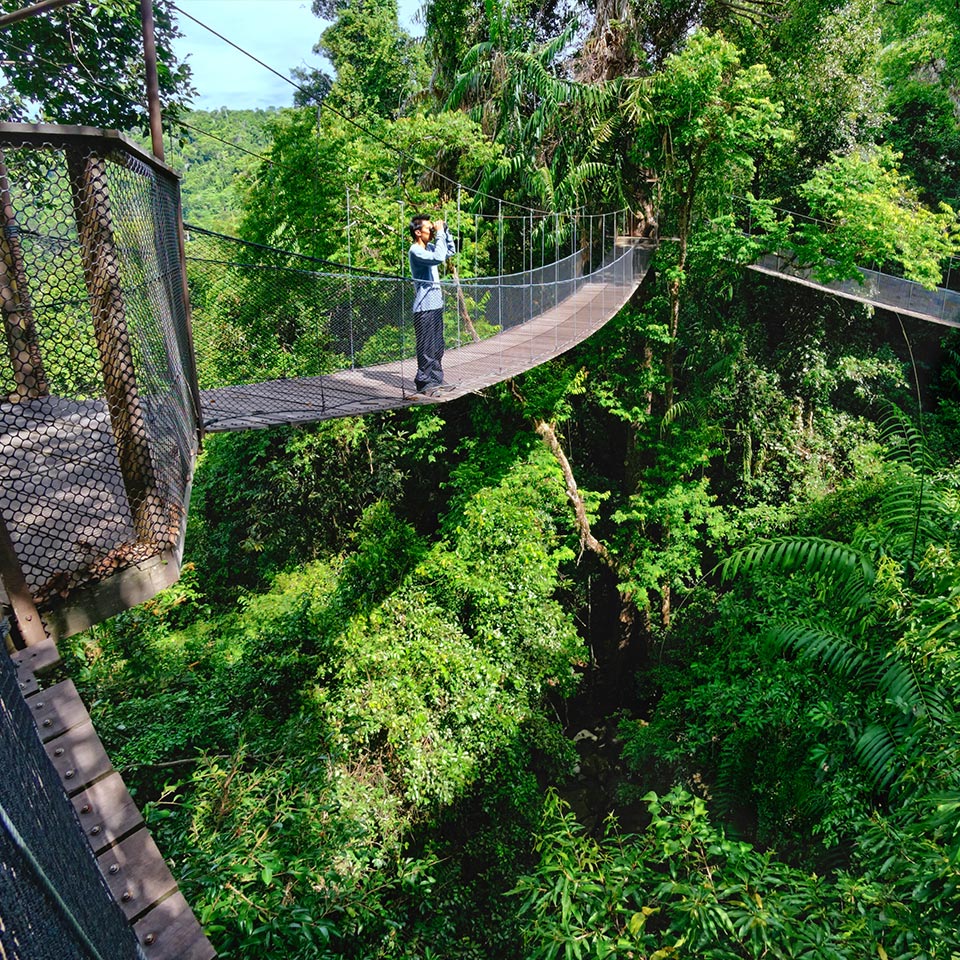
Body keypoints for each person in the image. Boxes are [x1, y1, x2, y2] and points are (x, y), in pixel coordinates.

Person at [408, 214, 456, 396]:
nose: (433, 231)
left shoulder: (429, 248)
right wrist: (441, 234)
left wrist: (446, 231)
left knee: (437, 346)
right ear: (418, 232)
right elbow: (438, 258)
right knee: (426, 347)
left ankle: (436, 380)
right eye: (430, 229)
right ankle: (425, 383)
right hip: (424, 307)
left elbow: (448, 251)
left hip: (435, 305)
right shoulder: (416, 251)